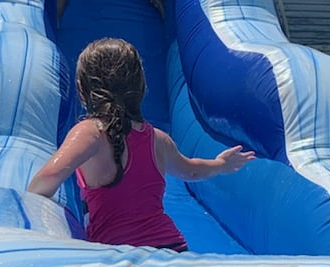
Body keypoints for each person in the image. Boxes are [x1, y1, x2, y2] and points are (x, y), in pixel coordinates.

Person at [26, 38, 255, 251]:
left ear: (81, 89)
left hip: (118, 254)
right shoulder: (157, 138)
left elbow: (47, 179)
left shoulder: (89, 133)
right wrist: (220, 164)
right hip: (171, 248)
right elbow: (191, 170)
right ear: (141, 87)